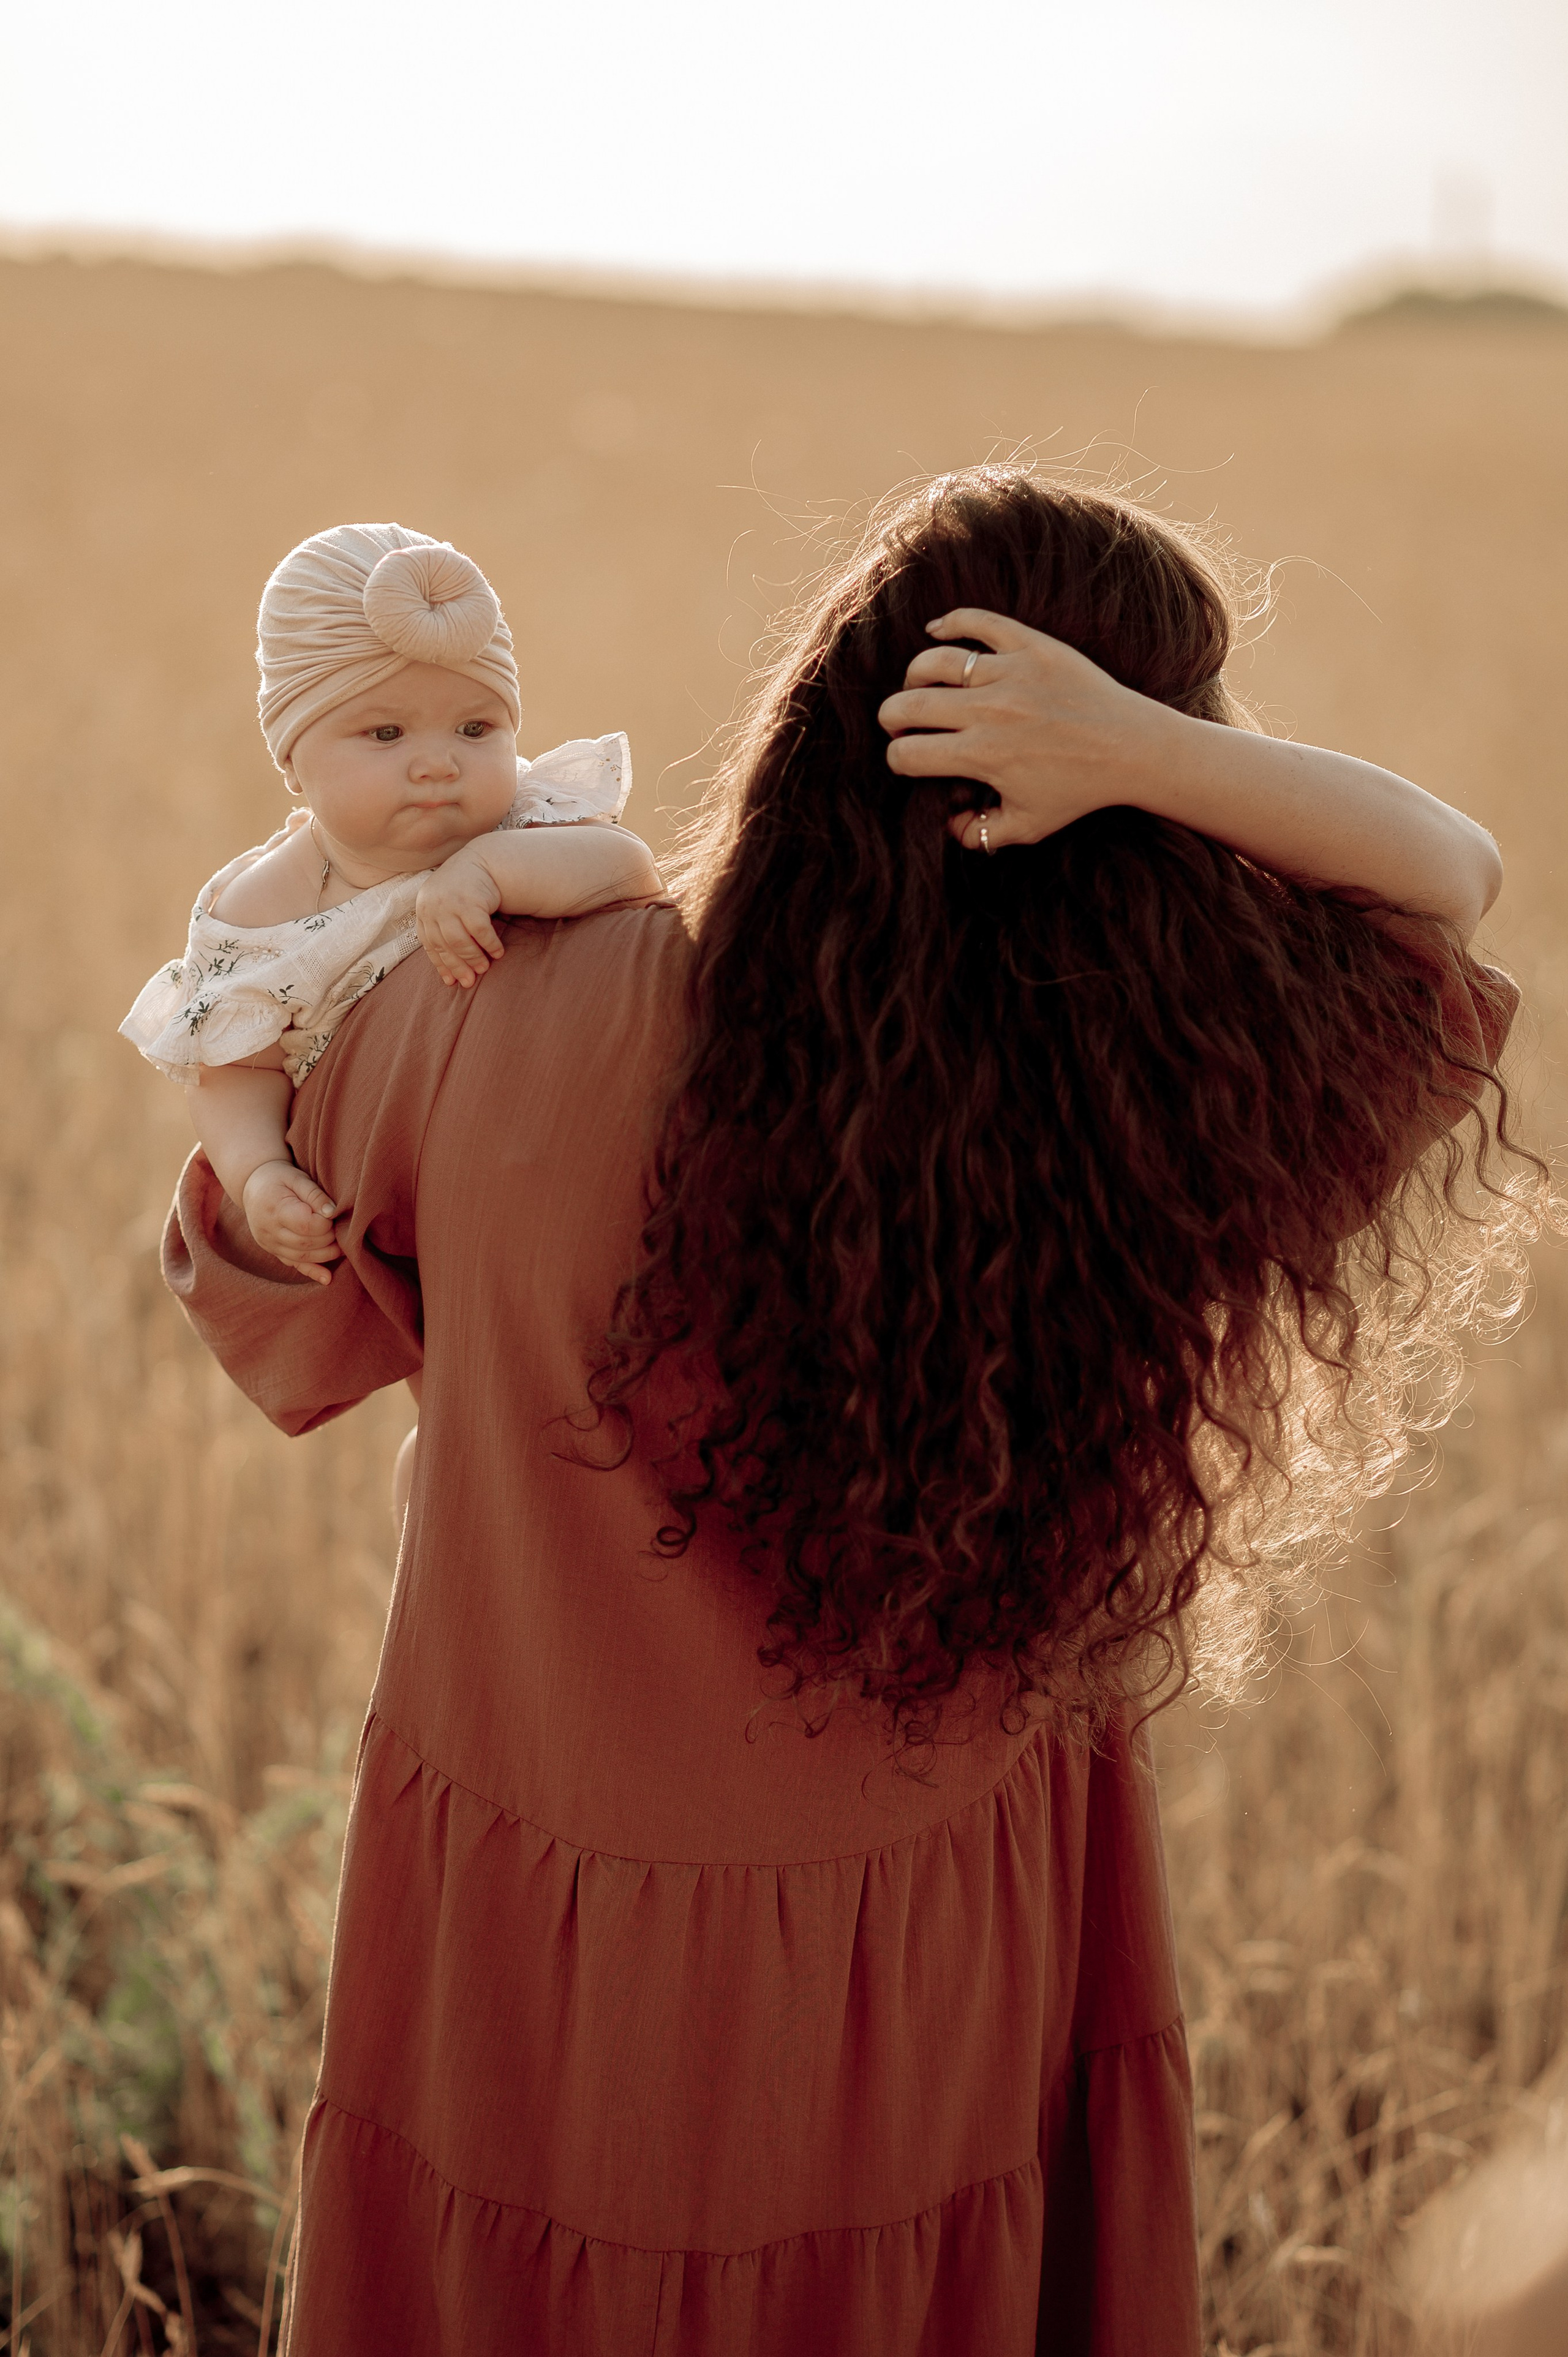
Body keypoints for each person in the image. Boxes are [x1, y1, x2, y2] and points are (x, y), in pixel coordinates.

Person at [162, 469, 1526, 2356]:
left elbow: (266, 1265)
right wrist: (1142, 755)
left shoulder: (480, 1009)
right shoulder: (1155, 1109)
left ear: (815, 729)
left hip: (538, 1957)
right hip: (942, 1946)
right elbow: (1441, 879)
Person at [121, 521, 662, 1283]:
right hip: (387, 1201)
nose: (438, 762)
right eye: (385, 733)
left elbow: (629, 870)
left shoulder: (522, 823)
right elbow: (234, 1071)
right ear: (293, 759)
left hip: (549, 1164)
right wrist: (258, 1172)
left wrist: (492, 868)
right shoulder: (264, 911)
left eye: (475, 728)